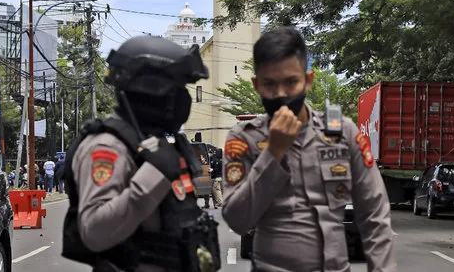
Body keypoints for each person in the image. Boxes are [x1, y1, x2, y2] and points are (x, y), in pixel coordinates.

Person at [222, 26, 396, 272]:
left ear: (308, 81)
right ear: (256, 85)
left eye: (291, 82)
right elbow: (237, 220)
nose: (280, 94)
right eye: (270, 84)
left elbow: (374, 215)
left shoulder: (342, 133)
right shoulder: (244, 138)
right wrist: (273, 153)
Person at [62, 36, 221, 272]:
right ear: (151, 91)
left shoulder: (152, 143)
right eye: (178, 89)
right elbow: (94, 232)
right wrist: (153, 177)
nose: (184, 99)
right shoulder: (107, 146)